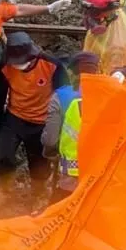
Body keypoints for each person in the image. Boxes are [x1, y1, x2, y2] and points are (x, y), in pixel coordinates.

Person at [0, 32, 68, 185]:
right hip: (14, 117)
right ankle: (5, 187)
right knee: (2, 155)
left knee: (39, 164)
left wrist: (59, 126)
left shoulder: (52, 65)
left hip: (41, 121)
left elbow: (63, 96)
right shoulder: (5, 66)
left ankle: (38, 192)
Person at [42, 51, 99, 196]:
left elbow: (50, 140)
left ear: (72, 74)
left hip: (70, 179)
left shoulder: (60, 97)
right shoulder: (111, 94)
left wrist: (50, 153)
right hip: (101, 175)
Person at [81, 0, 126, 75]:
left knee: (115, 54)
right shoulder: (97, 5)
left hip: (115, 46)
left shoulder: (119, 33)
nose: (93, 17)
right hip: (100, 38)